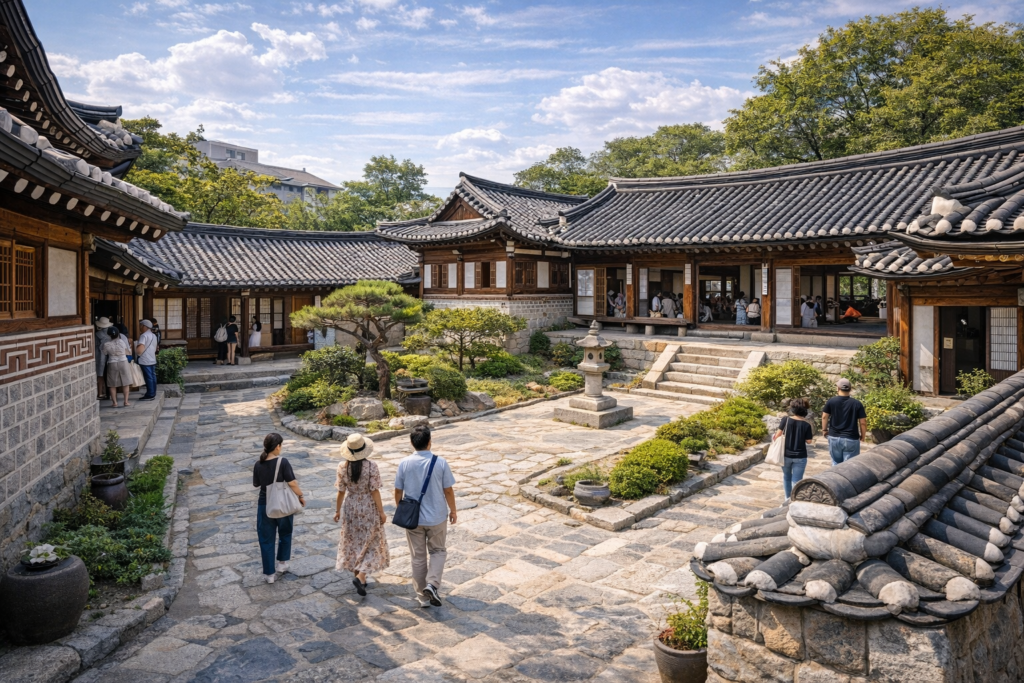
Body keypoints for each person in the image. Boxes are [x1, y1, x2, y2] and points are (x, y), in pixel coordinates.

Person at [394, 424, 457, 608]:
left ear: (411, 443)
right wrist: (453, 510)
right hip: (437, 517)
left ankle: (422, 597)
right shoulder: (440, 462)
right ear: (430, 442)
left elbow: (398, 491)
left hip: (413, 520)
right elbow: (448, 490)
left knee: (418, 557)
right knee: (438, 551)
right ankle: (432, 584)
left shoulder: (404, 463)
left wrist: (401, 509)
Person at [334, 434, 389, 596]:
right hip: (368, 507)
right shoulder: (372, 466)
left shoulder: (342, 467)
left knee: (354, 542)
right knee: (372, 542)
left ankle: (360, 579)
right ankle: (362, 576)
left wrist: (337, 511)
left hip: (351, 507)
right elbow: (375, 490)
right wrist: (381, 512)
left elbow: (340, 491)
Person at [253, 433, 305, 583]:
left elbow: (256, 484)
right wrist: (300, 496)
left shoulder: (258, 464)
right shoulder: (283, 462)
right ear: (277, 446)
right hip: (283, 504)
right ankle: (282, 564)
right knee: (285, 533)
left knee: (266, 539)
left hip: (265, 505)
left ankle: (269, 575)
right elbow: (292, 483)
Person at [773, 398, 814, 502]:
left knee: (786, 477)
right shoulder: (806, 424)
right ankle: (794, 501)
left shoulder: (785, 420)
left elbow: (777, 435)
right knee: (796, 480)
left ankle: (787, 499)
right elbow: (809, 441)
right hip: (800, 456)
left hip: (785, 455)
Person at [822, 379, 867, 465]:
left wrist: (824, 430)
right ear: (850, 389)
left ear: (838, 388)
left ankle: (835, 478)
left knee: (835, 464)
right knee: (849, 467)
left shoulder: (831, 401)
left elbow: (824, 417)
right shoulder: (857, 403)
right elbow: (863, 422)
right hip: (851, 438)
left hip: (834, 437)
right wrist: (863, 436)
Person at [102, 327, 133, 408]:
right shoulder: (123, 342)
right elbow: (128, 351)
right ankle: (126, 401)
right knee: (125, 382)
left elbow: (104, 353)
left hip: (112, 362)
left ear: (109, 335)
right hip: (123, 361)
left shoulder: (107, 344)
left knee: (112, 384)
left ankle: (115, 402)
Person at [136, 320, 159, 402]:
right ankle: (153, 393)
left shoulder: (144, 336)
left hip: (145, 359)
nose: (140, 327)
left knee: (148, 377)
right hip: (152, 358)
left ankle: (150, 394)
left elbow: (140, 350)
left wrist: (136, 350)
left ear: (144, 326)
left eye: (141, 325)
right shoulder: (154, 335)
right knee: (153, 376)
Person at [94, 317, 112, 400]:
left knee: (100, 375)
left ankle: (100, 393)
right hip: (110, 355)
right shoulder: (111, 333)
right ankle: (108, 392)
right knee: (108, 374)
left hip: (99, 356)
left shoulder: (97, 334)